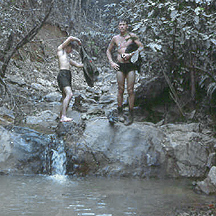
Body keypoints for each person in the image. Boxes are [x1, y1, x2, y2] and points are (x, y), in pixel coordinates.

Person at [106, 19, 144, 125]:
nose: (121, 26)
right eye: (120, 25)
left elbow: (141, 47)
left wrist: (130, 55)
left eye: (123, 25)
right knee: (120, 89)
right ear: (118, 27)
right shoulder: (115, 38)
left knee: (130, 89)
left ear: (127, 26)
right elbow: (108, 50)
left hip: (131, 65)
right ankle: (120, 112)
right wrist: (111, 62)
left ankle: (131, 114)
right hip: (120, 65)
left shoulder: (132, 36)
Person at [57, 36, 83, 122]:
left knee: (65, 96)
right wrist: (77, 40)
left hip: (68, 75)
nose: (71, 50)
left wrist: (87, 64)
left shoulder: (68, 58)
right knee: (69, 94)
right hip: (63, 74)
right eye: (71, 48)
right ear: (67, 46)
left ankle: (61, 115)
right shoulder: (60, 51)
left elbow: (77, 65)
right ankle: (63, 116)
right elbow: (70, 38)